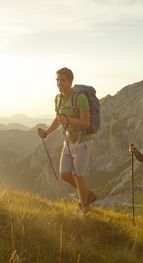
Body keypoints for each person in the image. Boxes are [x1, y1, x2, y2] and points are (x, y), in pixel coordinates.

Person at [37, 67, 97, 211]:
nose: (59, 83)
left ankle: (84, 208)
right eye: (57, 80)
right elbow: (58, 120)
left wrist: (68, 120)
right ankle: (86, 195)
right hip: (69, 141)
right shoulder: (58, 99)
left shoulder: (80, 98)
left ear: (70, 81)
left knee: (78, 175)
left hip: (83, 142)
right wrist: (46, 133)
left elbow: (86, 122)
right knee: (64, 174)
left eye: (62, 80)